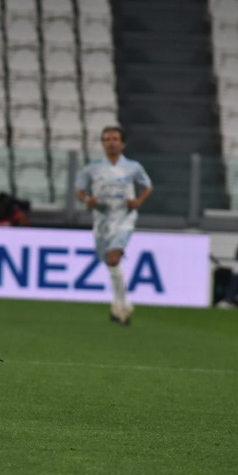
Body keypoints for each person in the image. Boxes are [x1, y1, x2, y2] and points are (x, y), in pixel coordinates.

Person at [74, 125, 153, 326]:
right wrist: (88, 200)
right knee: (110, 262)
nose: (111, 143)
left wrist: (138, 201)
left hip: (125, 217)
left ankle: (124, 304)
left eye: (115, 139)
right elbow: (80, 190)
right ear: (102, 143)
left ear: (123, 143)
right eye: (107, 139)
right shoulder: (92, 168)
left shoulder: (133, 167)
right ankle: (118, 304)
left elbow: (147, 186)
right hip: (102, 219)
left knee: (114, 256)